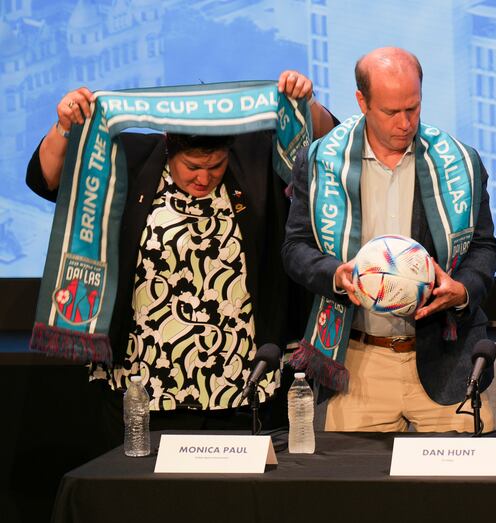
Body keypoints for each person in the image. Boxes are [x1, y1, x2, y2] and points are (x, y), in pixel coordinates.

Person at [26, 71, 336, 449]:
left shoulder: (255, 160)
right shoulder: (133, 158)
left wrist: (305, 102)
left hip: (237, 381)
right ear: (169, 145)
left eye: (215, 167)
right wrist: (62, 127)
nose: (204, 178)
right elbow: (47, 180)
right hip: (142, 381)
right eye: (192, 167)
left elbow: (325, 146)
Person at [282, 47, 496, 432]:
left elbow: (483, 248)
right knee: (354, 490)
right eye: (391, 112)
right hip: (358, 362)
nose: (405, 123)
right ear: (362, 101)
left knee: (468, 487)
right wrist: (336, 275)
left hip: (446, 361)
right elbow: (295, 248)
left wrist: (461, 290)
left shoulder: (459, 162)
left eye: (413, 108)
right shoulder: (321, 162)